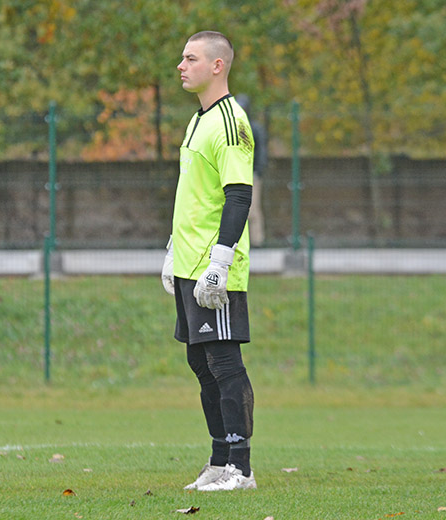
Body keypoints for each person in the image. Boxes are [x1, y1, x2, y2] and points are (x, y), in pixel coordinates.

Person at [161, 30, 256, 491]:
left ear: (217, 65)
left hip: (213, 266)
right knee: (200, 364)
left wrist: (220, 260)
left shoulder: (232, 122)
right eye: (182, 58)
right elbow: (194, 196)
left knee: (224, 363)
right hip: (187, 263)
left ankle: (242, 467)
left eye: (190, 58)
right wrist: (170, 251)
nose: (181, 66)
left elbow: (238, 196)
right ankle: (219, 461)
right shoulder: (197, 121)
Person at [235, 95, 268, 246]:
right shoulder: (233, 128)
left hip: (251, 174)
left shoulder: (254, 128)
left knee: (253, 210)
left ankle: (257, 241)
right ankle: (240, 242)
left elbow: (261, 151)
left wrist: (258, 171)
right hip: (236, 173)